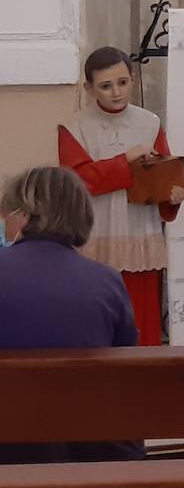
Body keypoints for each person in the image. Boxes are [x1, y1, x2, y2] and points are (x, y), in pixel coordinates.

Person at [0, 166, 142, 464]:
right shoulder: (107, 280)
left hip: (9, 446)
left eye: (6, 215)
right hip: (90, 448)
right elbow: (125, 363)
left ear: (24, 215)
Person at [57, 46, 184, 345]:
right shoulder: (74, 128)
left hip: (138, 236)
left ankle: (144, 385)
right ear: (90, 89)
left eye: (122, 82)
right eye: (105, 86)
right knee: (95, 323)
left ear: (132, 78)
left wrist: (172, 196)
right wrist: (126, 161)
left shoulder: (149, 123)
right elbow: (77, 180)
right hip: (94, 236)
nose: (116, 92)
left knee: (140, 322)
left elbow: (161, 175)